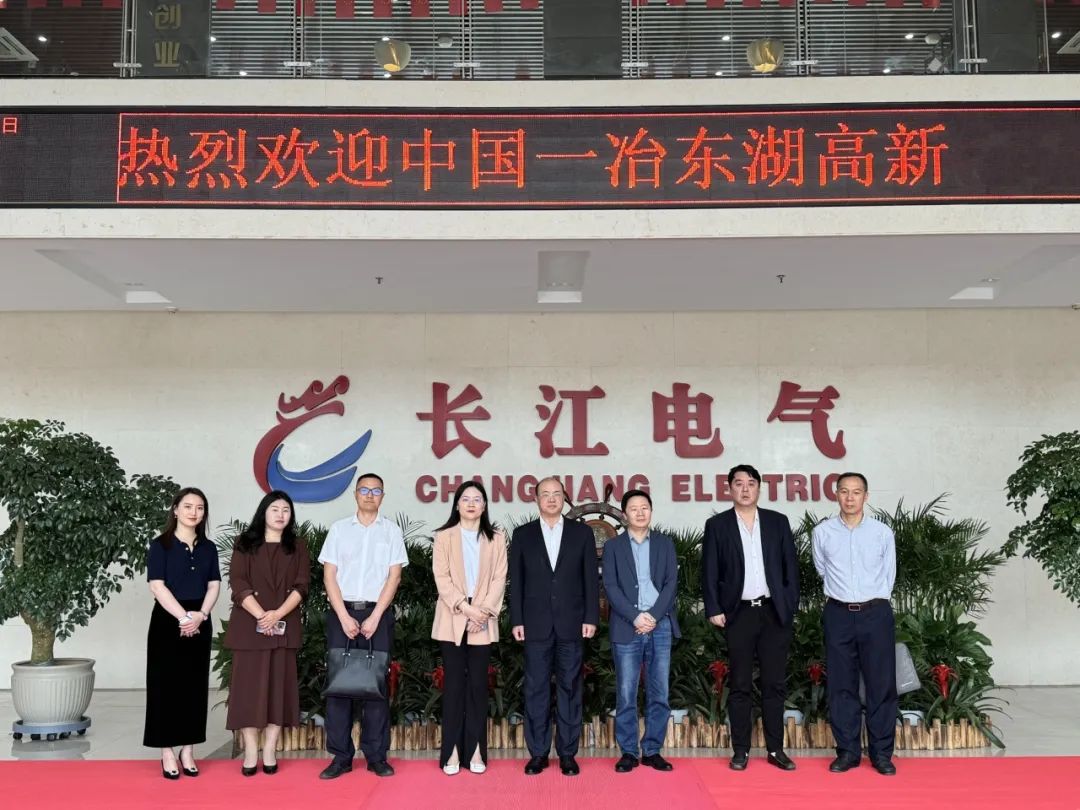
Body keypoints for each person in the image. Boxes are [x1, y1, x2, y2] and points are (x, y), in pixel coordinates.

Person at [702, 465, 799, 772]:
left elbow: (790, 568)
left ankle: (775, 750)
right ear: (729, 488)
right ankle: (741, 750)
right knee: (740, 684)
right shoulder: (717, 525)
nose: (745, 489)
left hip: (773, 612)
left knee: (774, 684)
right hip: (738, 612)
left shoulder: (777, 521)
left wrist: (789, 605)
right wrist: (714, 607)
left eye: (751, 483)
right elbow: (710, 571)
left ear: (759, 488)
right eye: (739, 484)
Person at [317, 473, 408, 780]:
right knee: (339, 688)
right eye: (364, 490)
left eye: (376, 490)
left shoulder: (391, 531)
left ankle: (376, 756)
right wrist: (343, 616)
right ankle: (340, 757)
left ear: (383, 496)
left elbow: (394, 577)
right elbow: (329, 575)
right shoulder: (339, 529)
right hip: (341, 612)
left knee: (376, 688)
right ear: (355, 494)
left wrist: (376, 616)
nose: (370, 495)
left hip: (377, 615)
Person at [510, 476, 600, 777]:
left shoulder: (581, 533)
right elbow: (516, 581)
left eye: (557, 494)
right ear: (536, 499)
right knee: (535, 689)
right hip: (534, 624)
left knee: (570, 688)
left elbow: (591, 579)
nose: (551, 499)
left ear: (564, 498)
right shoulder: (523, 535)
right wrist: (517, 619)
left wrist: (590, 617)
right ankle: (538, 753)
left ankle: (567, 754)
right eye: (545, 494)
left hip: (571, 623)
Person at [812, 472, 898, 776]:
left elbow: (889, 575)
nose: (850, 498)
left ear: (866, 496)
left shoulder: (882, 532)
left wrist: (870, 601)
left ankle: (881, 754)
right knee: (841, 685)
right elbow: (822, 569)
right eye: (844, 491)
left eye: (856, 492)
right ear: (836, 494)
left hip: (876, 613)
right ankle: (847, 752)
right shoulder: (822, 532)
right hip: (838, 613)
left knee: (881, 685)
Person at [224, 490, 310, 776]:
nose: (281, 515)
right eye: (275, 509)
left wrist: (277, 614)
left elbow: (302, 585)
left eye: (286, 510)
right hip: (250, 626)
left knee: (278, 692)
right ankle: (251, 751)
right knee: (248, 692)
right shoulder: (244, 543)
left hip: (283, 626)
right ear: (264, 512)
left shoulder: (297, 546)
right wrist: (262, 615)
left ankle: (270, 750)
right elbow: (238, 582)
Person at [431, 481, 508, 776]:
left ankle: (475, 749)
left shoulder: (496, 538)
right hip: (454, 614)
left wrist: (483, 611)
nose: (472, 503)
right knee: (453, 686)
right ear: (457, 505)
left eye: (477, 499)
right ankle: (451, 751)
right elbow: (442, 578)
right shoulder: (444, 536)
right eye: (466, 499)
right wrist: (467, 609)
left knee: (478, 685)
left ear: (485, 506)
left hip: (483, 617)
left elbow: (499, 578)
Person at [144, 487, 221, 780]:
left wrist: (200, 615)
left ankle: (188, 749)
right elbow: (157, 585)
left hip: (200, 619)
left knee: (194, 686)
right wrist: (183, 617)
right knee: (165, 686)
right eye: (188, 506)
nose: (194, 512)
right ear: (175, 510)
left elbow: (214, 584)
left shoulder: (208, 548)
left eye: (200, 508)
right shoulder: (160, 545)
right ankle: (166, 751)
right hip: (168, 620)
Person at [601, 489, 680, 774]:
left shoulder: (665, 544)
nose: (640, 512)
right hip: (627, 626)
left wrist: (653, 616)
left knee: (659, 692)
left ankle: (653, 750)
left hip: (661, 625)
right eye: (633, 508)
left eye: (644, 507)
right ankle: (629, 752)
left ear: (651, 511)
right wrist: (635, 616)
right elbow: (610, 587)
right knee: (626, 693)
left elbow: (671, 583)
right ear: (624, 515)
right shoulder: (613, 547)